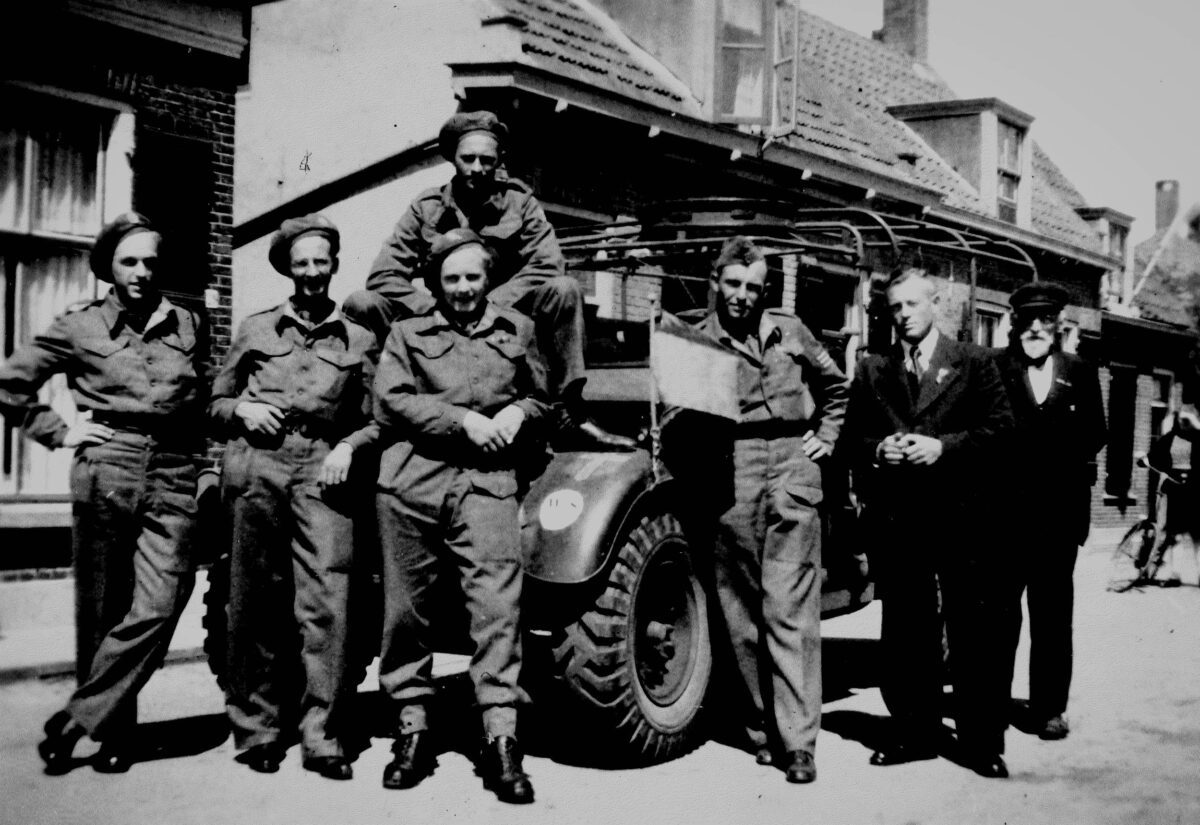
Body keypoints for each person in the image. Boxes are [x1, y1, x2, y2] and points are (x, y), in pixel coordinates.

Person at [0, 212, 209, 774]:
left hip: (173, 470)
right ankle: (116, 733)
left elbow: (200, 398)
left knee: (163, 601)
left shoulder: (190, 323)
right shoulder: (79, 325)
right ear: (109, 267)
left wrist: (203, 466)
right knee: (103, 607)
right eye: (129, 261)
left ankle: (76, 719)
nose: (142, 272)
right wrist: (60, 432)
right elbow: (11, 383)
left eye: (151, 262)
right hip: (108, 464)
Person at [664, 237, 849, 783]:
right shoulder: (695, 339)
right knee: (740, 609)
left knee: (789, 607)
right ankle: (760, 730)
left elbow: (836, 388)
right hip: (733, 467)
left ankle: (799, 743)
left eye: (752, 287)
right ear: (715, 283)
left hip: (792, 462)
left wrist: (826, 436)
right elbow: (678, 417)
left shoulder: (790, 331)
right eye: (733, 284)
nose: (742, 295)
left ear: (764, 290)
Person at [373, 228, 547, 804]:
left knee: (498, 611)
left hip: (488, 484)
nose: (464, 288)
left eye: (473, 276)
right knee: (406, 613)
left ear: (488, 278)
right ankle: (412, 731)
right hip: (413, 482)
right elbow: (390, 400)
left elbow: (542, 395)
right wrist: (462, 421)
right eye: (452, 278)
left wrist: (520, 413)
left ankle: (500, 740)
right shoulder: (407, 333)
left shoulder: (518, 330)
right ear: (435, 282)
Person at [345, 109, 631, 449]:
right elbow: (384, 274)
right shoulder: (426, 208)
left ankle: (567, 410)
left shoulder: (519, 203)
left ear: (499, 160)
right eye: (468, 159)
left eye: (487, 160)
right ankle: (369, 418)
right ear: (452, 158)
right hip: (440, 312)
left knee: (564, 289)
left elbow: (548, 263)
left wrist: (493, 304)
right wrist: (431, 307)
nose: (477, 168)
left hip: (507, 316)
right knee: (362, 303)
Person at [208, 214, 379, 780]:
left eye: (320, 262)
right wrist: (243, 409)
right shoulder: (256, 329)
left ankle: (322, 734)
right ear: (288, 268)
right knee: (253, 601)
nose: (311, 272)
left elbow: (380, 418)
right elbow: (214, 403)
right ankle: (257, 729)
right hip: (259, 467)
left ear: (334, 266)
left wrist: (349, 445)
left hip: (324, 473)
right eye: (301, 263)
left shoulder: (359, 339)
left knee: (328, 603)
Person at [844, 267, 1015, 778]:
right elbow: (851, 440)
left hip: (965, 519)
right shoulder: (873, 369)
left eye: (912, 304)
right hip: (901, 522)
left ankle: (981, 741)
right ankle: (912, 733)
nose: (903, 316)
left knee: (972, 630)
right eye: (895, 308)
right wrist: (880, 450)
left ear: (935, 304)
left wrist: (944, 448)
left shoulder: (974, 363)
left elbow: (1001, 431)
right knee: (906, 629)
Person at [993, 282, 1106, 740]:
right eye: (1028, 320)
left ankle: (1049, 709)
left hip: (1058, 518)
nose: (1036, 329)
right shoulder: (995, 367)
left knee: (1053, 618)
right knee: (999, 617)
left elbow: (1096, 433)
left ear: (1057, 325)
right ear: (1014, 324)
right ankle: (992, 703)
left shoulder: (1080, 371)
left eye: (1045, 321)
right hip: (1003, 518)